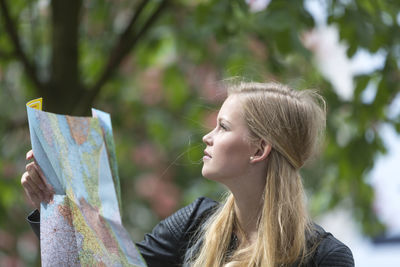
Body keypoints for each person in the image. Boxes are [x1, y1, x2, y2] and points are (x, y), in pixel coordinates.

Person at [22, 82, 354, 266]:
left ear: (258, 149)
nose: (208, 137)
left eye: (223, 127)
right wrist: (50, 205)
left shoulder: (326, 258)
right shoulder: (194, 222)